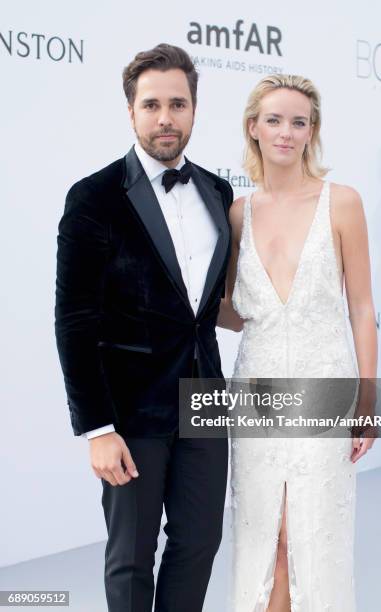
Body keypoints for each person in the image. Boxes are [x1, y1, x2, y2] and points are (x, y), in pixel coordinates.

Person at [55, 43, 233, 612]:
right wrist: (96, 427)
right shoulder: (93, 197)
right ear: (130, 110)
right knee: (132, 556)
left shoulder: (217, 191)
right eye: (151, 104)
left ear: (194, 110)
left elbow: (211, 304)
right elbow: (74, 319)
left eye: (177, 104)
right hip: (130, 408)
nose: (165, 117)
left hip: (205, 398)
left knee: (200, 542)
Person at [218, 74, 377, 611]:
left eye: (299, 122)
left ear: (312, 133)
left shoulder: (343, 202)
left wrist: (369, 399)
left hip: (324, 389)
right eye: (275, 120)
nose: (286, 132)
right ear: (253, 128)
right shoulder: (238, 212)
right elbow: (234, 313)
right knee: (267, 540)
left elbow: (361, 308)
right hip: (257, 392)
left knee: (309, 539)